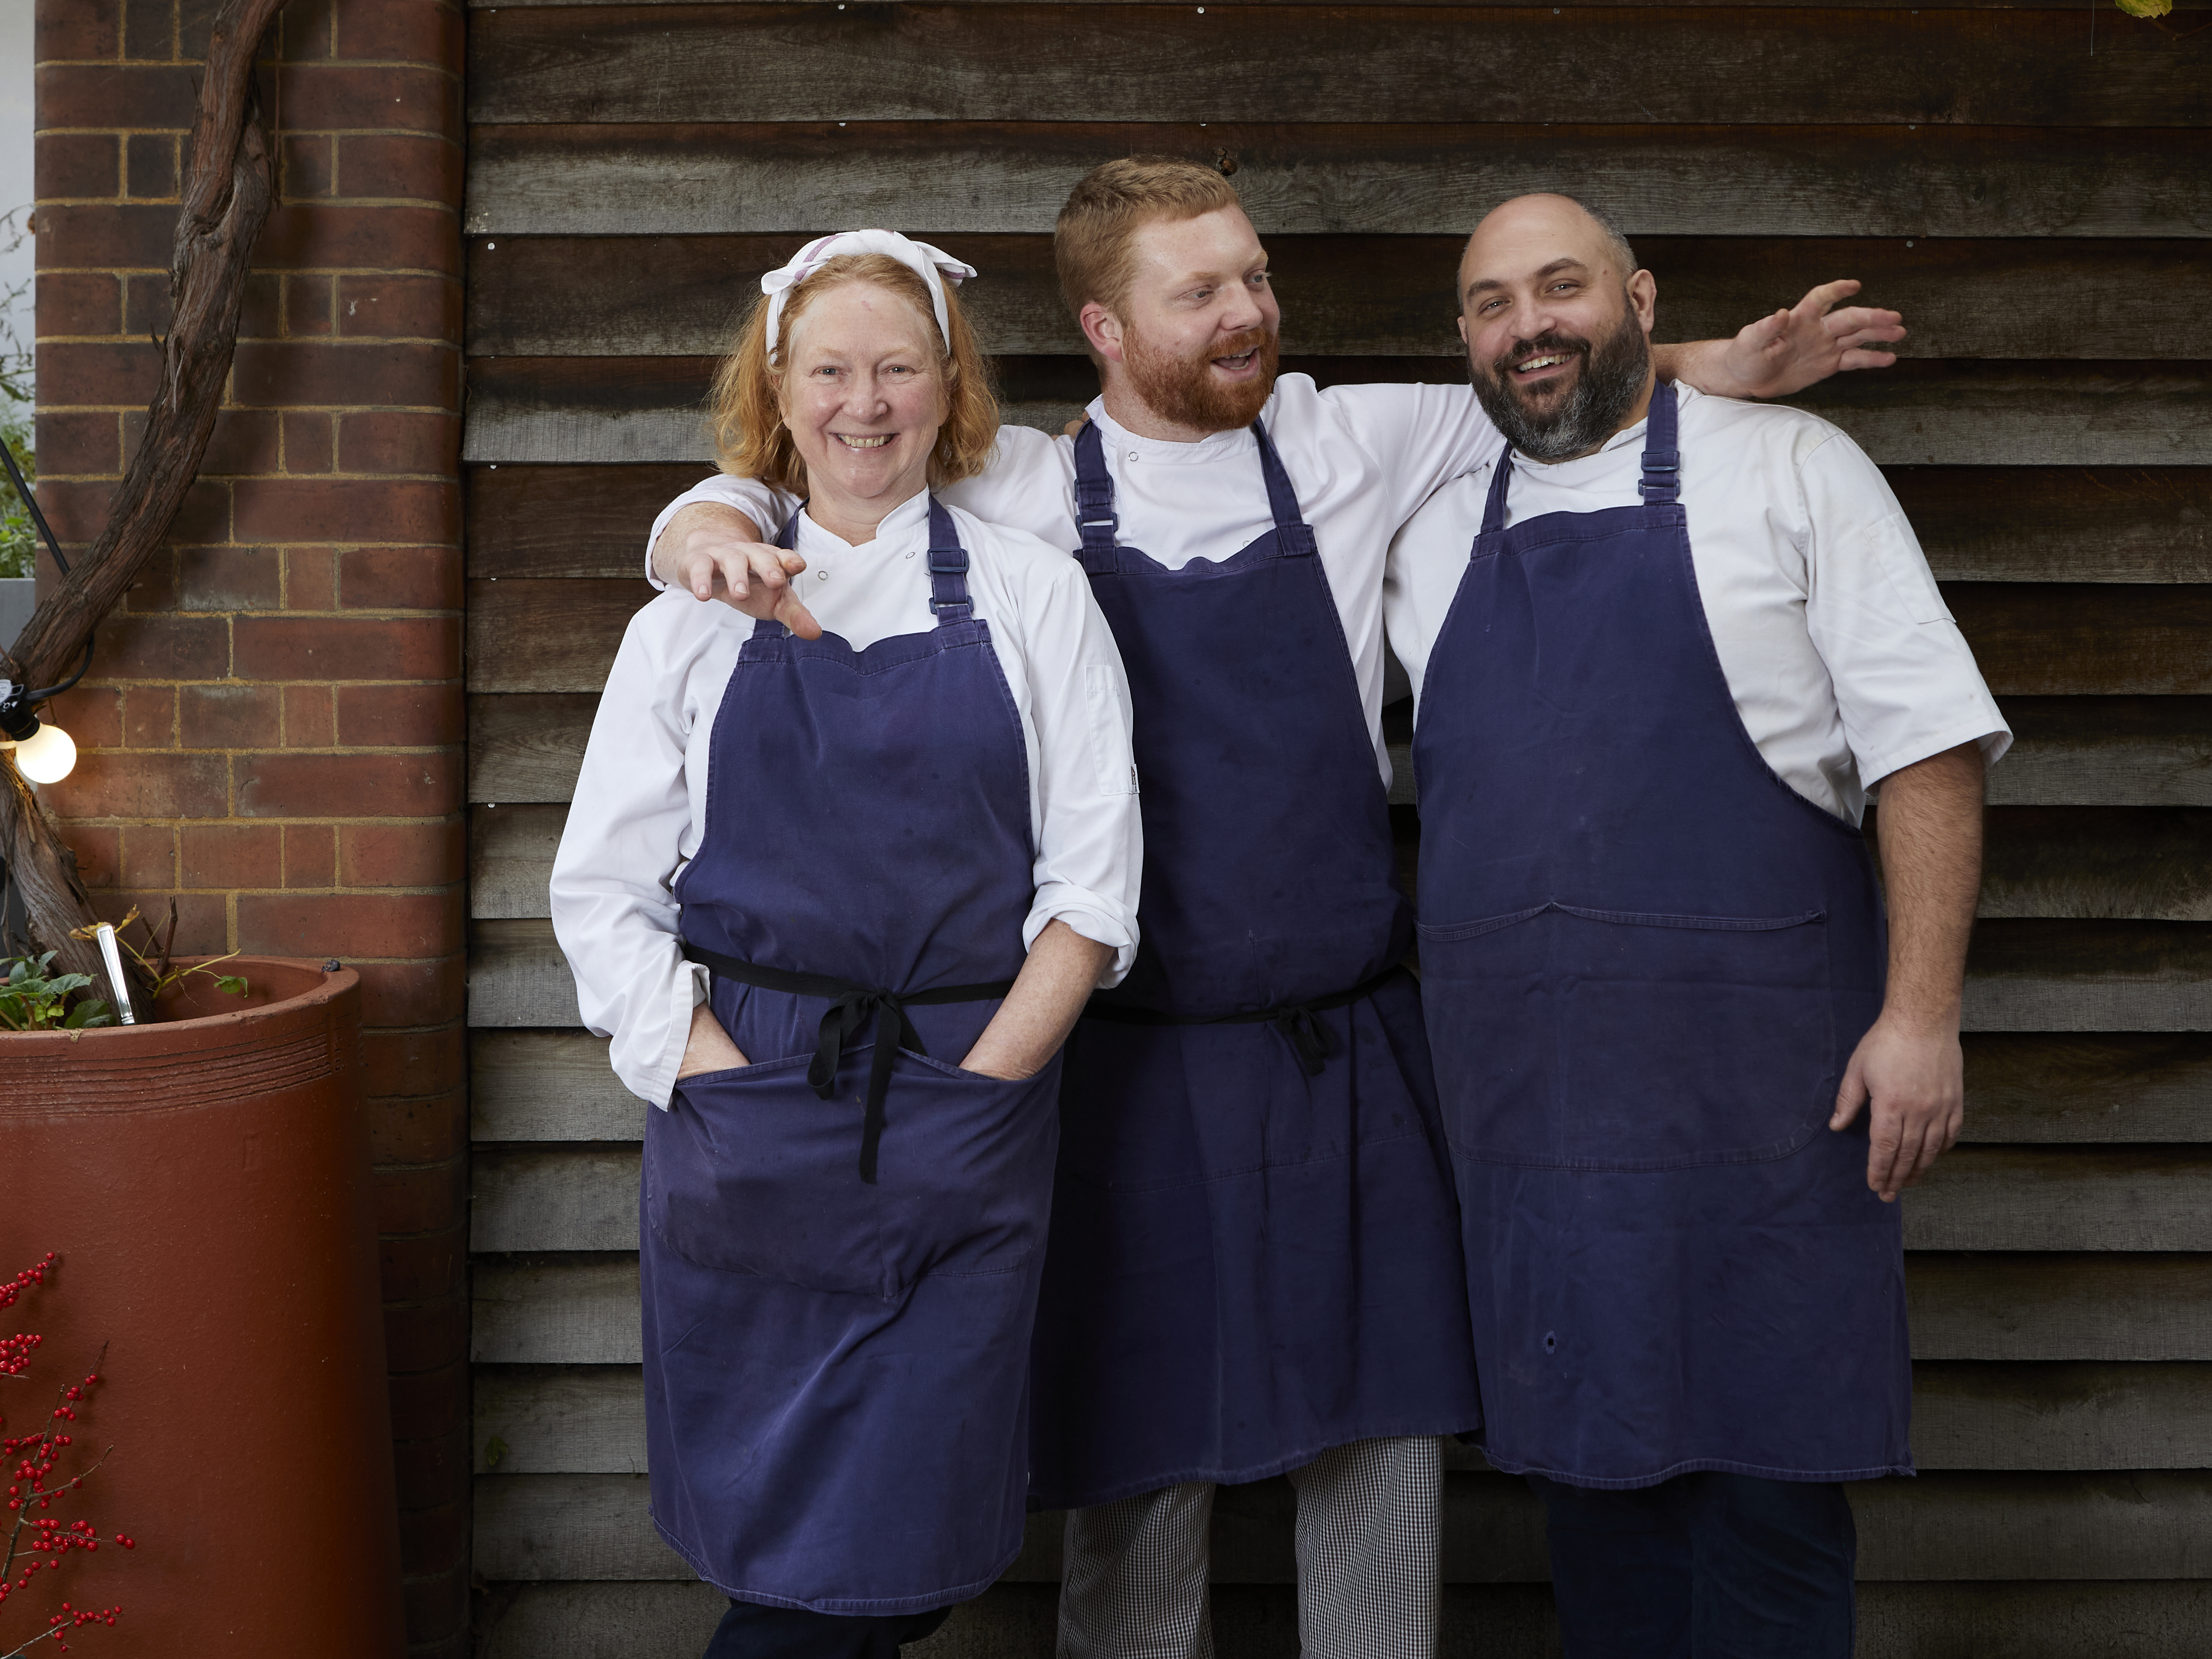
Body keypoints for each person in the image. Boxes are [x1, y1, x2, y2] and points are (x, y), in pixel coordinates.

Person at [641, 163, 1903, 1659]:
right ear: (1107, 327)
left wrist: (1721, 364)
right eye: (1204, 293)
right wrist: (693, 519)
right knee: (1136, 1483)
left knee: (1376, 1476)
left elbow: (1547, 380)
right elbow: (807, 480)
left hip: (1342, 1058)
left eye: (1254, 277)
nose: (1249, 311)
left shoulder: (1347, 434)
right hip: (1128, 1067)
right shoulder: (1021, 489)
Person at [1386, 193, 2007, 1656]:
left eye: (1561, 287)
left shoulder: (1792, 467)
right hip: (1530, 1116)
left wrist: (1920, 1018)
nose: (1527, 325)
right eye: (1489, 301)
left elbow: (1922, 749)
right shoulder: (1420, 516)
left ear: (1641, 300)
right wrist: (717, 498)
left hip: (1763, 1099)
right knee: (1591, 1498)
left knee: (1764, 1505)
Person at [548, 230, 1145, 1659]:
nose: (863, 403)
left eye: (897, 367)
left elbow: (1092, 888)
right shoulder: (685, 621)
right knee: (791, 1554)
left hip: (962, 1089)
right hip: (750, 1102)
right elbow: (600, 892)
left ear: (952, 388)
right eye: (830, 370)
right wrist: (713, 1083)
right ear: (779, 387)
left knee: (904, 1550)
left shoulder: (1030, 593)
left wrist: (981, 1102)